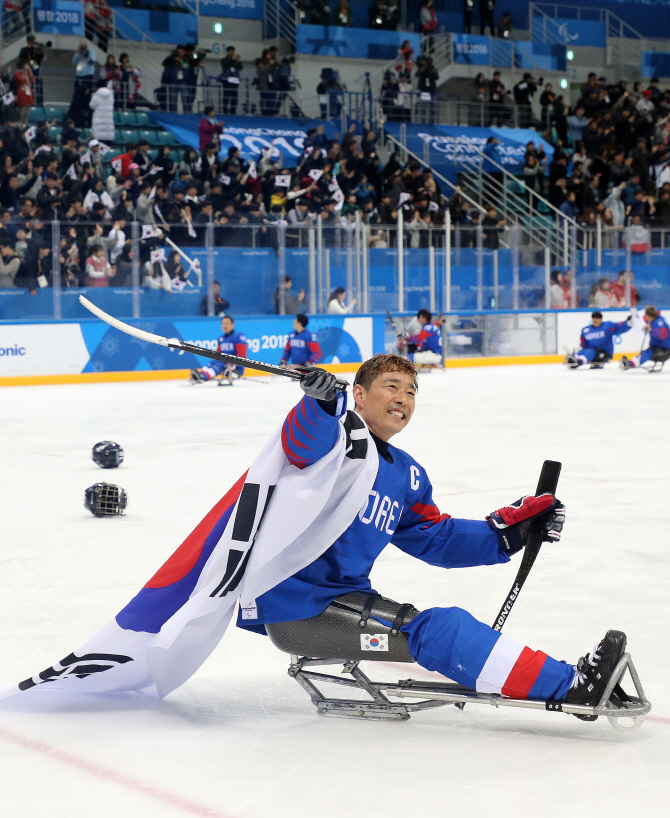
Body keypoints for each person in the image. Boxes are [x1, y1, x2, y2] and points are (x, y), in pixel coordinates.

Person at [237, 353, 625, 718]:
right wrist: (319, 407)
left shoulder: (406, 474)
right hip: (298, 609)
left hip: (342, 601)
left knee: (438, 627)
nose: (402, 398)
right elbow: (302, 444)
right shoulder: (335, 443)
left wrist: (508, 533)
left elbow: (435, 537)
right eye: (391, 386)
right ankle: (572, 686)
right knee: (441, 629)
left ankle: (566, 679)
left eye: (410, 391)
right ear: (358, 394)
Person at [190, 315, 248, 383]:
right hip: (225, 366)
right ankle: (200, 374)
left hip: (235, 369)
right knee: (212, 362)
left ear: (232, 325)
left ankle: (203, 377)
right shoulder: (221, 338)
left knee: (220, 363)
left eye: (227, 323)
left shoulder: (239, 336)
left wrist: (233, 364)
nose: (224, 325)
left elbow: (242, 355)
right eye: (223, 323)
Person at [566, 311, 632, 369]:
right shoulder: (586, 330)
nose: (596, 320)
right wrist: (579, 350)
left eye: (598, 318)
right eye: (594, 318)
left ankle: (579, 362)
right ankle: (574, 359)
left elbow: (619, 327)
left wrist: (627, 323)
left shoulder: (607, 326)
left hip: (604, 353)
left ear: (601, 319)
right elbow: (584, 344)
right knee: (584, 350)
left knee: (591, 351)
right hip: (592, 351)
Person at [219, 46, 242, 115]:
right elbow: (225, 65)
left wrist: (237, 61)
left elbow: (240, 67)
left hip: (234, 80)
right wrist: (232, 60)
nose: (232, 53)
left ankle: (233, 110)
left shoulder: (236, 59)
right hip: (227, 80)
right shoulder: (224, 60)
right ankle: (225, 110)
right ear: (227, 52)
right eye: (230, 51)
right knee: (226, 96)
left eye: (233, 51)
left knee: (234, 96)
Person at [12, 59, 34, 127]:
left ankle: (25, 125)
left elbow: (32, 80)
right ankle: (20, 126)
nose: (27, 66)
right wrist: (25, 74)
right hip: (22, 93)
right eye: (26, 65)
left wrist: (30, 71)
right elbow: (22, 80)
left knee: (27, 111)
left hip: (28, 93)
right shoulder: (17, 73)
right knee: (22, 111)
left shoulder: (27, 73)